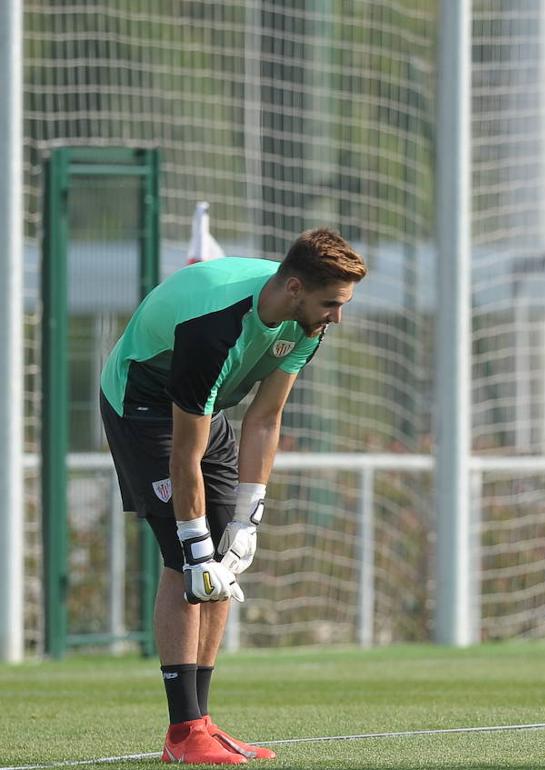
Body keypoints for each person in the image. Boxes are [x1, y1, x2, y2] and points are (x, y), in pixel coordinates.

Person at [100, 228, 367, 764]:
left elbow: (265, 419)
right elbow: (184, 454)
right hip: (145, 404)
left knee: (223, 555)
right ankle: (183, 732)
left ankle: (201, 724)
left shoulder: (307, 320)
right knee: (186, 562)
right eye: (332, 305)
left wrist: (247, 519)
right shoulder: (212, 330)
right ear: (293, 286)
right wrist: (193, 542)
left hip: (208, 409)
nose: (338, 317)